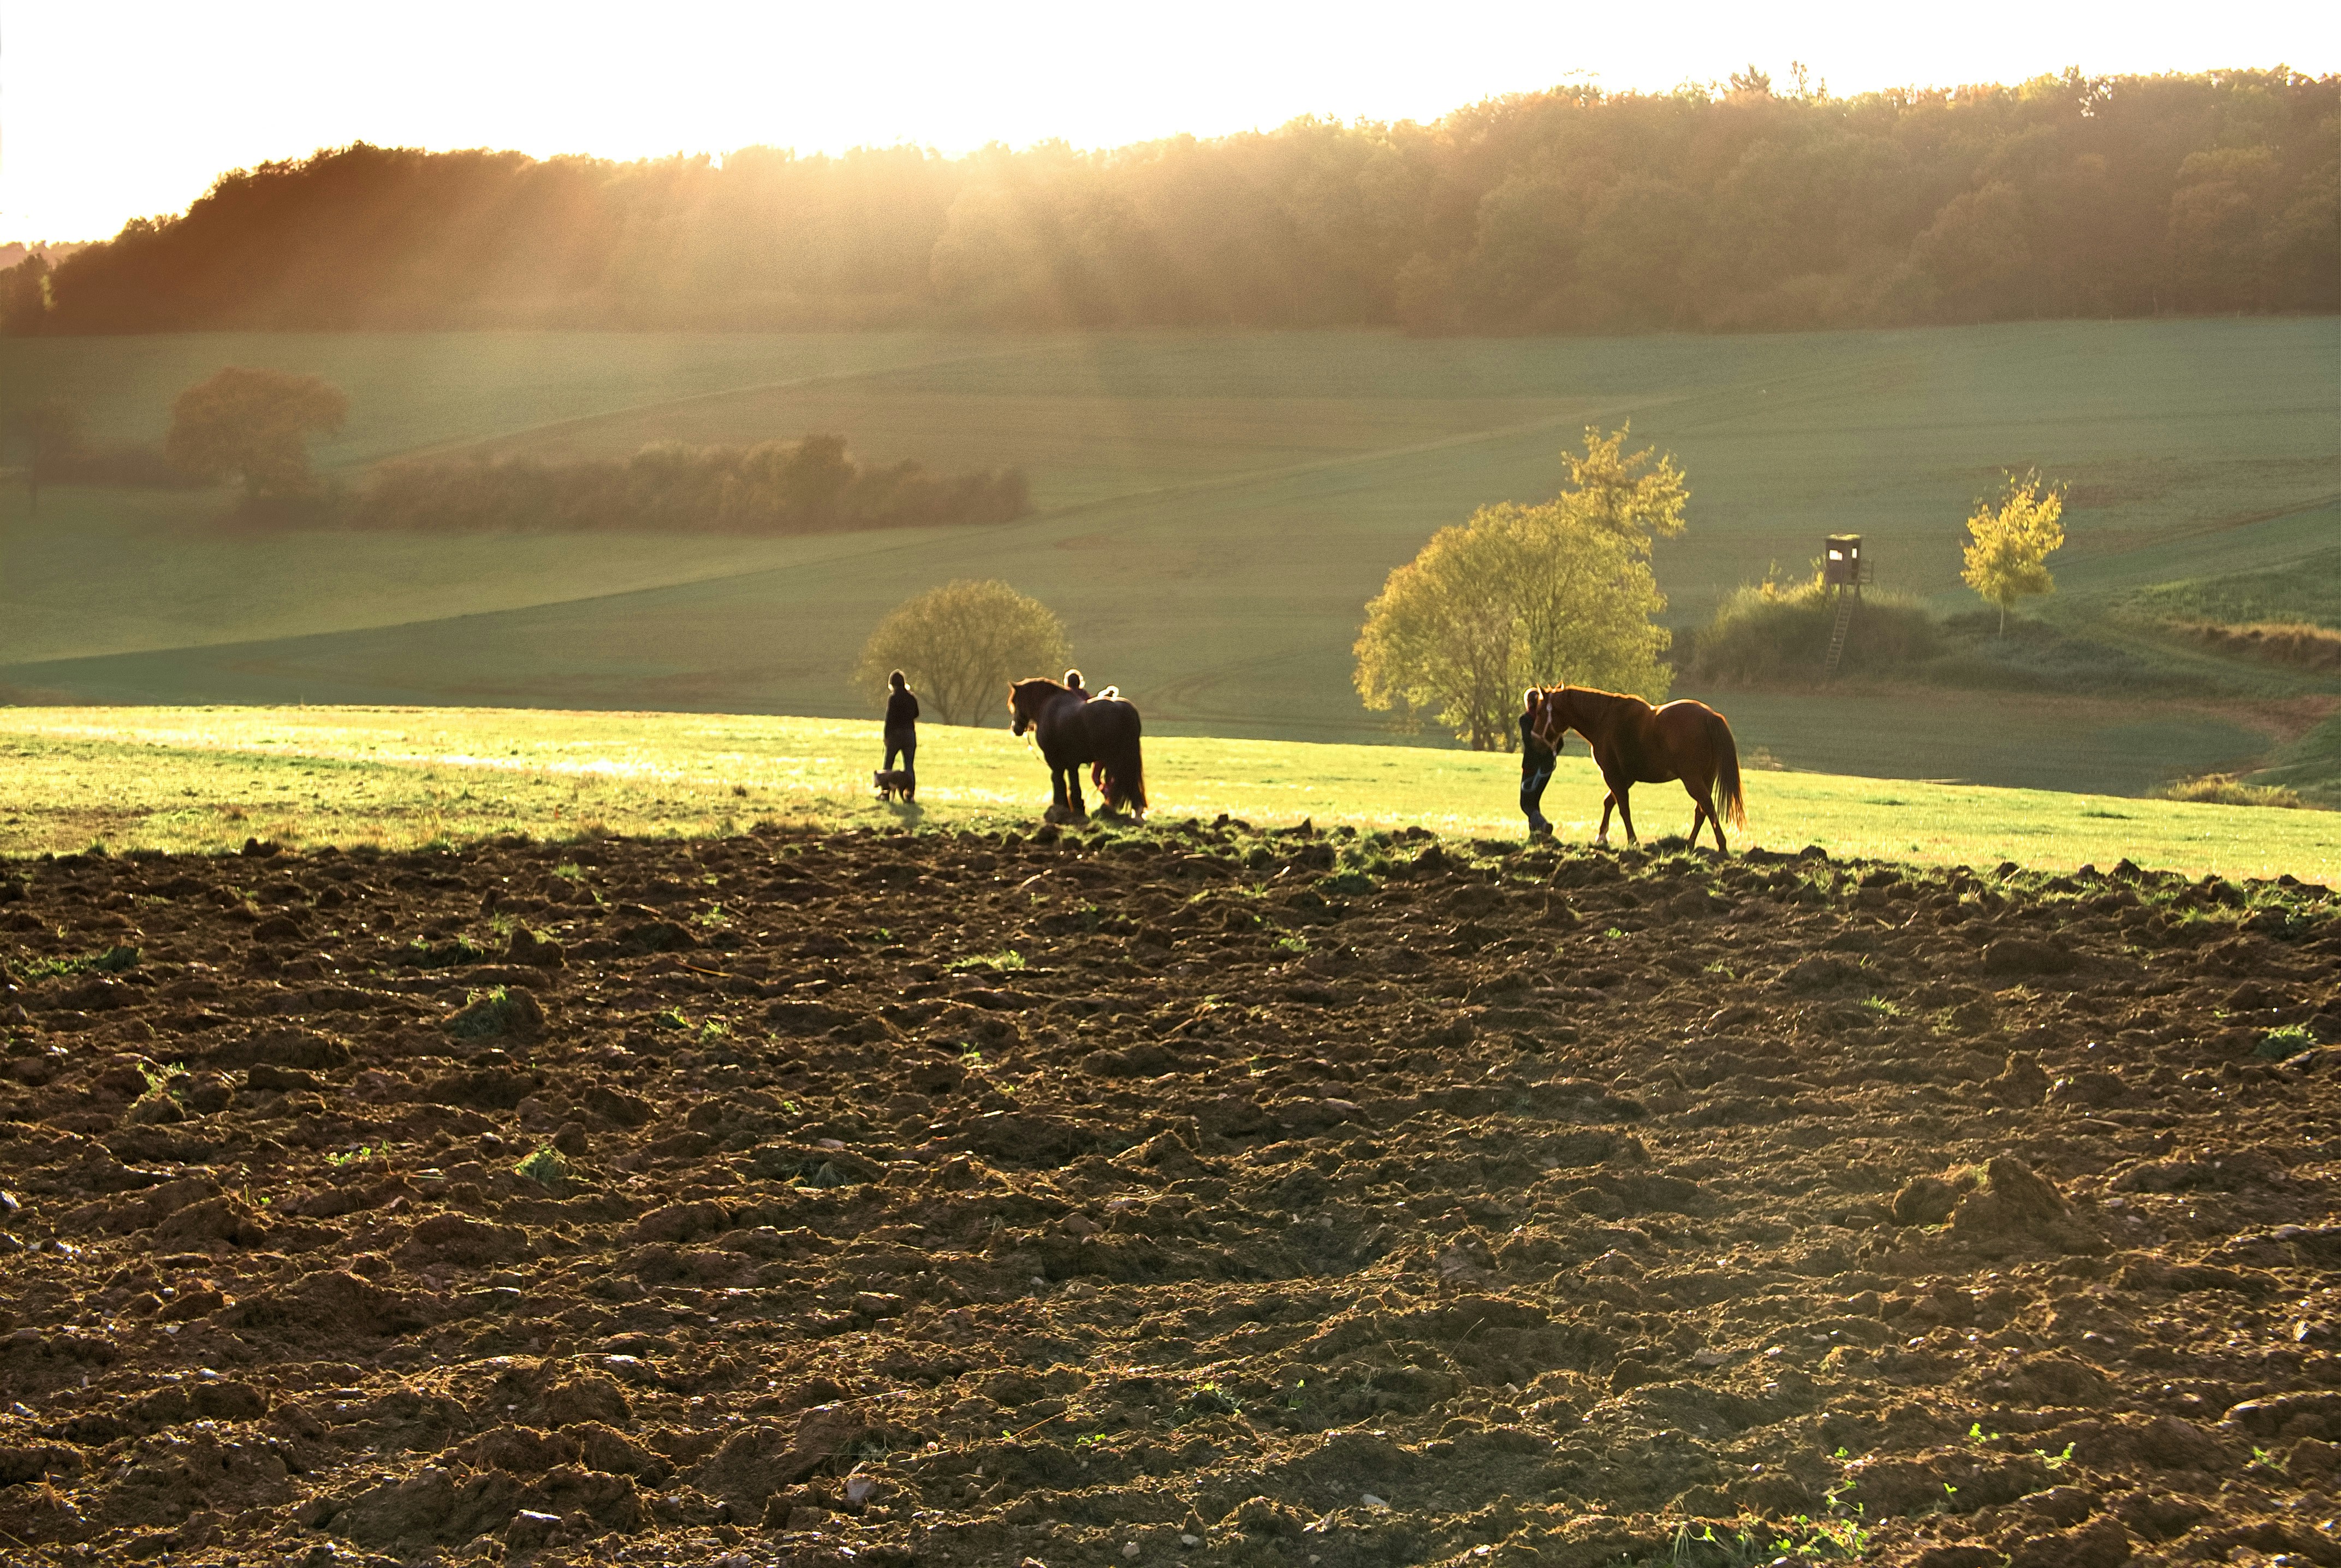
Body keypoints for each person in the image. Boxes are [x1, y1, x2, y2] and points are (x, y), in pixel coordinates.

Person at [1519, 687, 1557, 838]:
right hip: (1547, 767)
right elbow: (1559, 744)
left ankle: (1543, 826)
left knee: (1526, 804)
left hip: (1531, 767)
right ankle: (1535, 837)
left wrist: (1536, 756)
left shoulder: (1525, 719)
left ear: (1528, 703)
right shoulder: (1549, 721)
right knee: (1534, 802)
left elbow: (1528, 742)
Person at [884, 670, 919, 794]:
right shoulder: (911, 698)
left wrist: (886, 736)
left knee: (889, 764)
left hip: (895, 735)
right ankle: (910, 794)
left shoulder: (893, 698)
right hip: (909, 735)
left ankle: (886, 792)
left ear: (892, 684)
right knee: (909, 765)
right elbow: (917, 714)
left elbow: (889, 719)